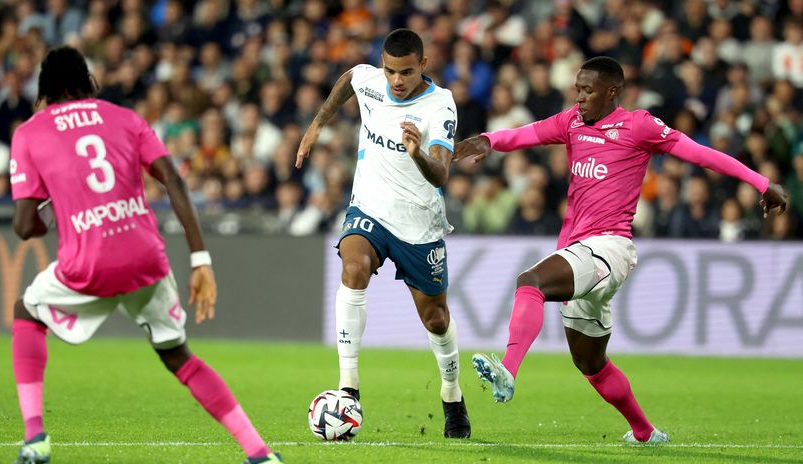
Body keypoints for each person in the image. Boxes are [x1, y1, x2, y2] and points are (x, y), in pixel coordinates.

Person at [454, 56, 787, 444]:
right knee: (591, 363)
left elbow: (700, 153)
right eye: (577, 89)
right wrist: (489, 140)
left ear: (612, 92)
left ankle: (508, 370)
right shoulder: (572, 123)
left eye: (588, 90)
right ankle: (645, 432)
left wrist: (761, 182)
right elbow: (526, 134)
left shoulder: (638, 125)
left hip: (610, 248)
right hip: (582, 251)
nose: (579, 98)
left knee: (531, 281)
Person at [9, 47, 281, 464]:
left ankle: (35, 438)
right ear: (91, 83)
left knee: (26, 312)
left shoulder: (30, 131)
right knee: (178, 356)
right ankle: (260, 454)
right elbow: (172, 178)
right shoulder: (125, 118)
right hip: (146, 258)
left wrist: (57, 205)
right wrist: (199, 260)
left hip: (88, 263)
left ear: (44, 91)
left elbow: (25, 226)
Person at [295, 29, 471, 438]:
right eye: (391, 70)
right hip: (369, 209)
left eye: (406, 72)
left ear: (423, 66)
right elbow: (347, 81)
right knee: (353, 268)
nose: (396, 80)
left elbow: (442, 171)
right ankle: (349, 390)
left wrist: (418, 154)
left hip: (418, 223)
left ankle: (451, 394)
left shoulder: (439, 104)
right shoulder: (369, 79)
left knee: (436, 319)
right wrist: (317, 123)